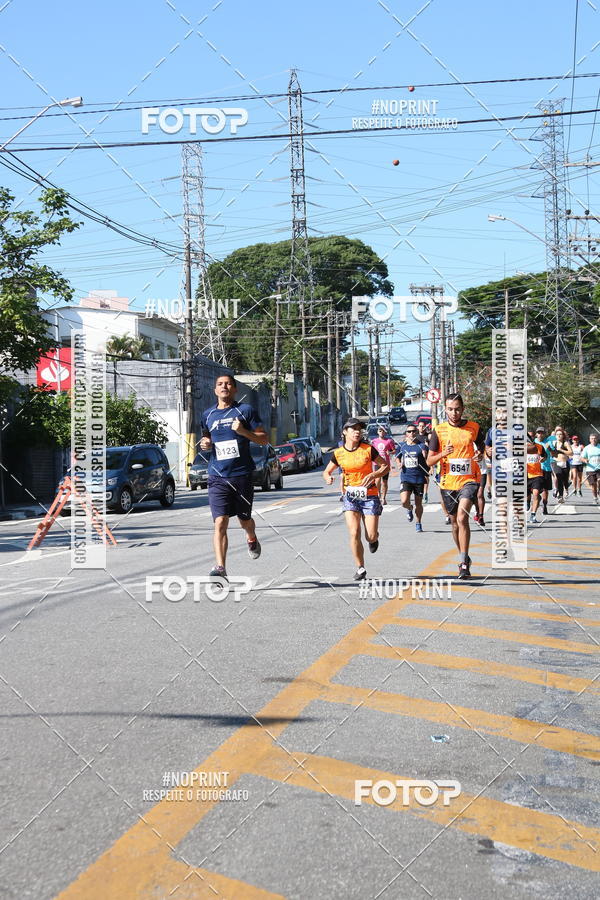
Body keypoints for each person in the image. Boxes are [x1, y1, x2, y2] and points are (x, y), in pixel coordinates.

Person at [200, 374, 268, 578]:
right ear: (215, 390)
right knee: (220, 522)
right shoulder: (208, 414)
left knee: (244, 519)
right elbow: (206, 437)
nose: (224, 387)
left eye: (228, 384)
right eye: (220, 384)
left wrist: (244, 432)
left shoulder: (245, 411)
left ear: (235, 389)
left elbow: (264, 439)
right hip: (217, 476)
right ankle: (220, 567)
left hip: (241, 475)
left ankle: (251, 536)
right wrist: (205, 443)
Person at [323, 418, 389, 580]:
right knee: (354, 532)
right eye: (353, 428)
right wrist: (328, 478)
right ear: (345, 432)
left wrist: (373, 474)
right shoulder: (338, 453)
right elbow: (326, 471)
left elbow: (385, 466)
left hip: (370, 495)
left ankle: (374, 540)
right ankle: (360, 568)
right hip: (350, 496)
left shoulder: (368, 449)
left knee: (370, 535)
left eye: (360, 428)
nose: (357, 431)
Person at [427, 393, 484, 578]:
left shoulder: (473, 428)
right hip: (447, 482)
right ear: (445, 409)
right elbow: (429, 461)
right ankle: (464, 557)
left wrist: (481, 455)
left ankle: (463, 563)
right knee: (454, 523)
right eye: (450, 409)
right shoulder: (439, 430)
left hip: (469, 480)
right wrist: (444, 453)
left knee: (462, 518)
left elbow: (483, 449)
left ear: (463, 409)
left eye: (457, 409)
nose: (454, 412)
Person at [394, 425, 429, 532]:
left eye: (414, 431)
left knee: (419, 503)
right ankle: (409, 508)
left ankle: (418, 523)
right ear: (406, 434)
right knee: (404, 501)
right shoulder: (402, 446)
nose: (412, 433)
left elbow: (428, 461)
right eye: (409, 431)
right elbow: (397, 457)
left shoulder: (421, 446)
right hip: (406, 477)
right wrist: (399, 463)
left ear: (417, 433)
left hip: (419, 478)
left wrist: (425, 455)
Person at [370, 425, 396, 505]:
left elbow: (394, 450)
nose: (381, 432)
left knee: (384, 482)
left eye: (382, 431)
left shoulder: (389, 441)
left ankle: (383, 498)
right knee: (377, 480)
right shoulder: (374, 441)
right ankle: (377, 496)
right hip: (376, 463)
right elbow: (371, 451)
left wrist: (390, 452)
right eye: (380, 431)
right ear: (378, 432)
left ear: (385, 432)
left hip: (385, 464)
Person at [534, 426, 554, 515]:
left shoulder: (548, 442)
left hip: (546, 469)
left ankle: (544, 506)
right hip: (535, 469)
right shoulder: (533, 442)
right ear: (536, 434)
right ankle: (537, 499)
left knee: (545, 489)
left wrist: (549, 449)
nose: (540, 434)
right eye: (538, 433)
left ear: (544, 434)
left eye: (542, 433)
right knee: (536, 489)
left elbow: (554, 453)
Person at [526, 432, 546, 524]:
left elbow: (545, 455)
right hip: (525, 475)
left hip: (537, 474)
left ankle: (533, 515)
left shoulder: (539, 447)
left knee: (536, 493)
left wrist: (543, 459)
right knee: (526, 496)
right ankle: (528, 501)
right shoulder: (521, 448)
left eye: (530, 436)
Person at [549, 426, 572, 502]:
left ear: (563, 436)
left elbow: (571, 453)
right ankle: (560, 496)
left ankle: (566, 489)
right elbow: (545, 447)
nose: (559, 436)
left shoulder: (565, 443)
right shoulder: (552, 443)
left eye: (560, 434)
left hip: (564, 462)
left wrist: (561, 450)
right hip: (556, 462)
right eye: (557, 434)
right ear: (555, 436)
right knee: (559, 476)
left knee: (565, 480)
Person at [415, 420, 431, 501]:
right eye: (420, 426)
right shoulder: (416, 436)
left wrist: (427, 445)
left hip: (426, 459)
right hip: (417, 459)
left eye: (423, 426)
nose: (421, 427)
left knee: (426, 477)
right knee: (418, 477)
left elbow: (432, 449)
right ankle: (419, 492)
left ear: (425, 427)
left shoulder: (428, 436)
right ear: (418, 427)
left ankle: (425, 493)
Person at [582, 432, 600, 504]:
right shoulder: (587, 448)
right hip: (590, 469)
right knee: (593, 484)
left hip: (599, 468)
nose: (593, 440)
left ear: (597, 439)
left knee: (599, 480)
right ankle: (595, 497)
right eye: (592, 438)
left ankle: (599, 490)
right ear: (589, 440)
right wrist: (585, 460)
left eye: (595, 438)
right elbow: (582, 458)